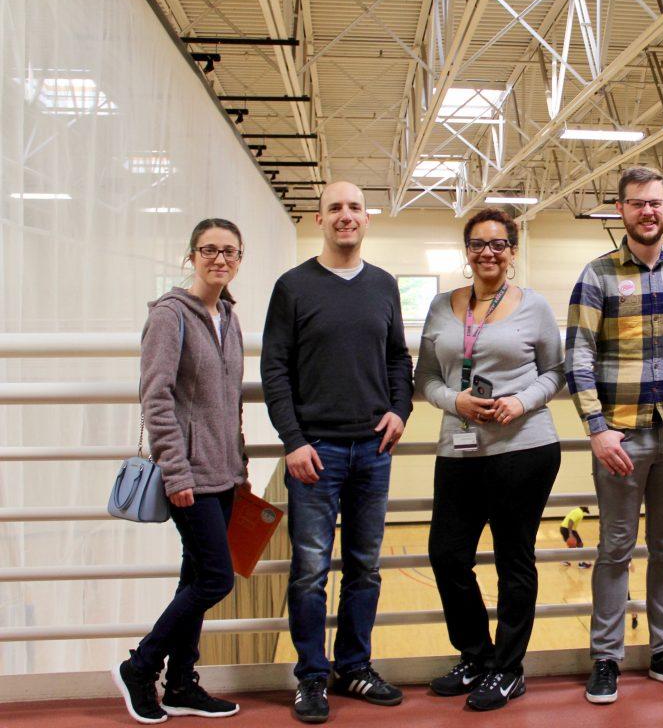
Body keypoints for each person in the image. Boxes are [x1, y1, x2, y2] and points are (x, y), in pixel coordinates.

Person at [262, 181, 413, 723]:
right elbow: (274, 370)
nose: (345, 217)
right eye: (334, 209)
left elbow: (399, 359)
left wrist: (401, 410)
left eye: (354, 208)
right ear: (319, 219)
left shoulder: (384, 285)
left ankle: (354, 666)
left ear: (366, 219)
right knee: (308, 571)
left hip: (373, 449)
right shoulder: (293, 286)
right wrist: (294, 441)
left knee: (365, 569)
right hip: (316, 453)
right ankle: (311, 677)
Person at [566, 165, 663, 704]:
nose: (647, 212)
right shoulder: (597, 274)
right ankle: (606, 657)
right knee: (614, 548)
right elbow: (578, 356)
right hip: (620, 439)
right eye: (636, 204)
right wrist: (597, 429)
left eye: (655, 202)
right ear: (621, 210)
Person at [416, 208, 565, 711]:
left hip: (523, 448)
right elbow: (426, 379)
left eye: (498, 244)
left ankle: (507, 670)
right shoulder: (442, 306)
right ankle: (476, 656)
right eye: (478, 243)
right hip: (458, 450)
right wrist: (453, 401)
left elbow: (555, 373)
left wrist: (520, 401)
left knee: (513, 560)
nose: (488, 252)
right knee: (448, 555)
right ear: (466, 251)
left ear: (512, 252)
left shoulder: (535, 307)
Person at [113, 218, 248, 723]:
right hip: (188, 475)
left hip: (225, 472)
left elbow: (229, 401)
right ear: (190, 256)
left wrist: (241, 464)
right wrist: (176, 472)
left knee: (194, 575)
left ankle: (182, 683)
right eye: (209, 250)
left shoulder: (229, 317)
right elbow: (157, 396)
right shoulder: (171, 316)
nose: (219, 259)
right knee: (215, 579)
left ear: (239, 260)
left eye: (229, 252)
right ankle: (141, 665)